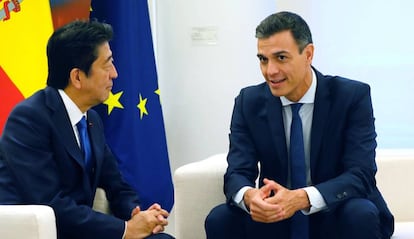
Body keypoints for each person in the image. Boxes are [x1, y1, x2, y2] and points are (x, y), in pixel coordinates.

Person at [205, 11, 394, 239]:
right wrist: (249, 196)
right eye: (263, 59)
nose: (270, 71)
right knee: (220, 219)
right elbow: (237, 172)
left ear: (308, 54)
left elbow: (361, 174)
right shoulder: (249, 102)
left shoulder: (351, 96)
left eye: (281, 58)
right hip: (277, 216)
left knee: (360, 214)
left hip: (333, 210)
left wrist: (301, 198)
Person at [0, 20, 174, 239]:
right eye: (107, 65)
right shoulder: (29, 119)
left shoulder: (91, 118)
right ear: (77, 77)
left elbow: (117, 185)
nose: (115, 74)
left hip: (81, 230)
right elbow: (50, 204)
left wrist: (138, 214)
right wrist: (125, 230)